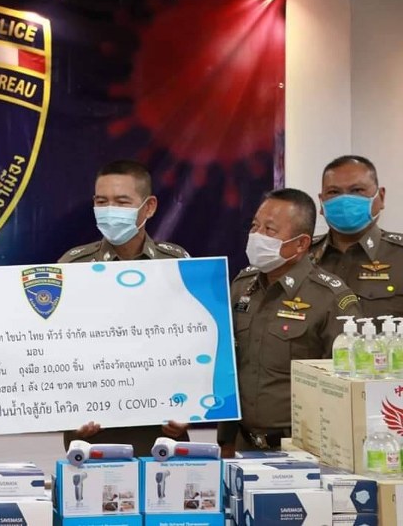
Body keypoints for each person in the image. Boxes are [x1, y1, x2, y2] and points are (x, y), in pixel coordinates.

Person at [58, 159, 190, 457]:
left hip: (163, 430)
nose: (110, 210)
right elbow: (58, 347)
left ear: (149, 207)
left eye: (121, 202)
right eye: (101, 201)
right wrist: (69, 416)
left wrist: (190, 410)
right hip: (92, 429)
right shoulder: (73, 266)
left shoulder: (177, 264)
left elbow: (195, 344)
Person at [218, 188, 361, 456]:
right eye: (255, 226)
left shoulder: (330, 298)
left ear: (301, 243)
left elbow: (347, 385)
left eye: (270, 230)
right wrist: (225, 440)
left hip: (303, 450)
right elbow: (230, 368)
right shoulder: (242, 285)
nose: (257, 236)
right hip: (243, 446)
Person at [310, 155, 403, 318]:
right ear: (321, 202)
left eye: (357, 190)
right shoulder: (300, 256)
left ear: (381, 197)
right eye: (333, 192)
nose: (344, 200)